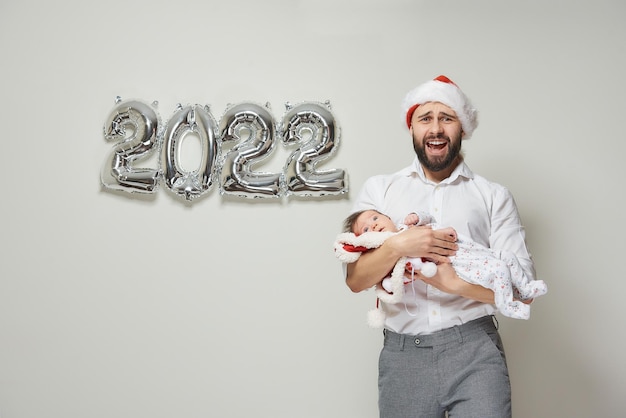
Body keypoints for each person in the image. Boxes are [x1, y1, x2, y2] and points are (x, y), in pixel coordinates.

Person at [342, 75, 539, 417]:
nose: (436, 129)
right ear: (412, 129)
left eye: (447, 118)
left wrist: (452, 284)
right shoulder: (380, 192)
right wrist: (401, 244)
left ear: (462, 127)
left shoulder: (492, 196)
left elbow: (522, 290)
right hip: (403, 358)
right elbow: (355, 279)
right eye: (425, 118)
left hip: (476, 352)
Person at [340, 208, 546, 320]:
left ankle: (525, 289)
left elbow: (427, 216)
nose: (373, 224)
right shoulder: (390, 258)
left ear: (388, 217)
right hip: (461, 265)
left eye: (375, 217)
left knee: (508, 257)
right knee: (499, 269)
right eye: (366, 230)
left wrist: (417, 216)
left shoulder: (407, 226)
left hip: (473, 251)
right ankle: (507, 304)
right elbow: (365, 282)